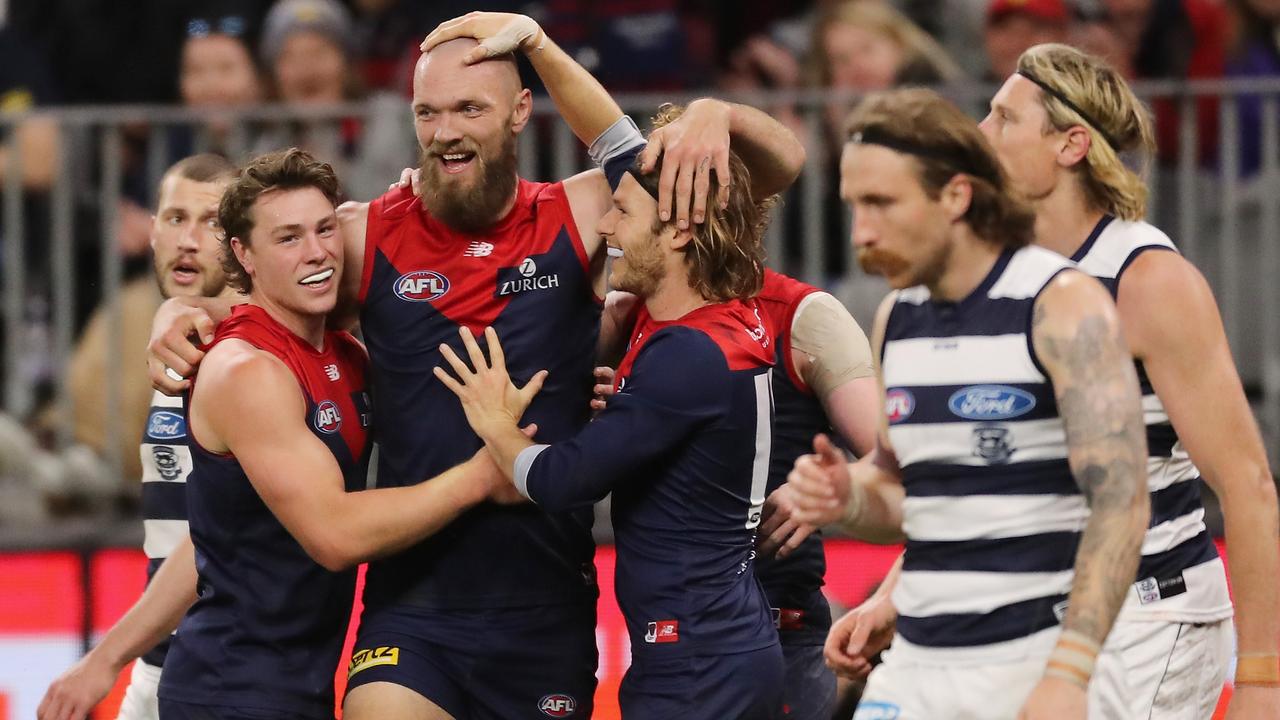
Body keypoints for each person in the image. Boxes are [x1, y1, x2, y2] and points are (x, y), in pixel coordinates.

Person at [146, 11, 805, 719]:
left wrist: (713, 112)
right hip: (411, 609)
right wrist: (180, 315)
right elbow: (266, 301)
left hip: (544, 606)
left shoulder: (582, 213)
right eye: (428, 112)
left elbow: (775, 170)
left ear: (522, 110)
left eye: (468, 108)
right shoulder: (365, 233)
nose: (446, 131)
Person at [786, 87, 1150, 719]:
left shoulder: (1061, 303)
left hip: (1038, 659)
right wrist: (845, 496)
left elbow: (1120, 504)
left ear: (955, 196)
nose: (861, 233)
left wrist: (1069, 671)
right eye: (853, 205)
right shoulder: (898, 317)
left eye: (881, 204)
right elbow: (904, 495)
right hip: (921, 664)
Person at [433, 110, 785, 719]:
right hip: (711, 644)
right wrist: (629, 408)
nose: (605, 225)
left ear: (678, 232)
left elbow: (560, 481)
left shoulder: (686, 352)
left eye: (622, 210)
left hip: (697, 660)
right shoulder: (712, 322)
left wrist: (494, 422)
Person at [973, 43, 1278, 718]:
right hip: (1037, 615)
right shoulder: (1001, 273)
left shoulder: (1147, 279)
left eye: (1004, 119)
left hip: (1148, 614)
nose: (980, 134)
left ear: (1071, 144)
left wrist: (1262, 682)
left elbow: (1248, 484)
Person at [39, 153, 239, 720]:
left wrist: (103, 659)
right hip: (163, 663)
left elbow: (217, 539)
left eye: (213, 222)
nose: (190, 240)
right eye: (176, 219)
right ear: (150, 230)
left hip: (225, 667)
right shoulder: (173, 337)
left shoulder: (250, 357)